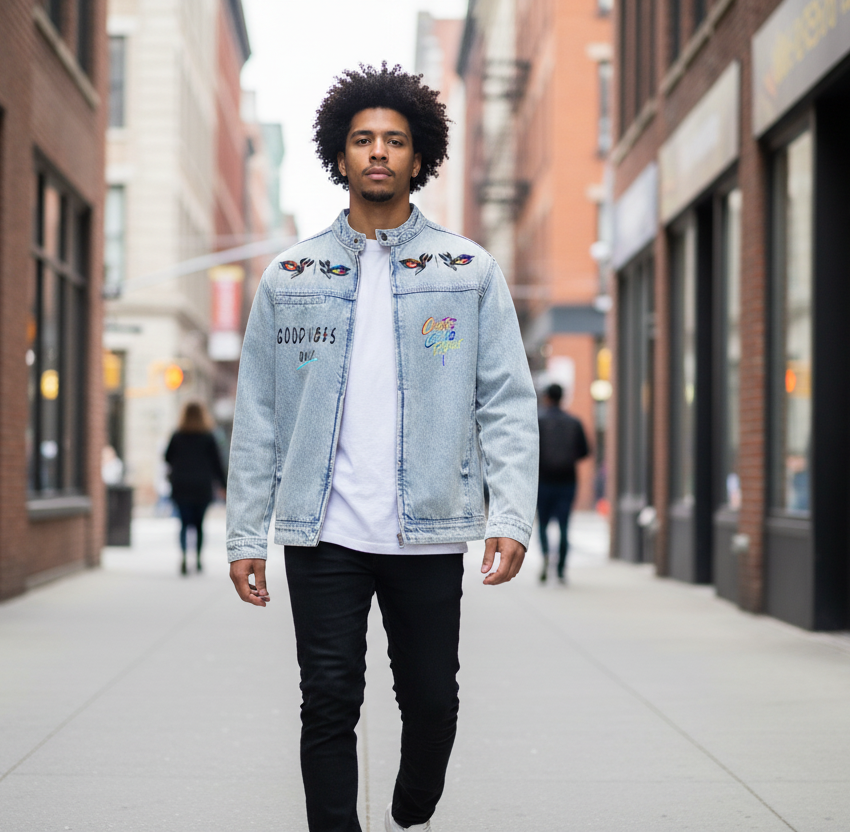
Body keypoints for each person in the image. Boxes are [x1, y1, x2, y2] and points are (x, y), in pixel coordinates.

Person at [225, 64, 538, 832]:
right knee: (327, 698)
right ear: (339, 155)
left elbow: (504, 402)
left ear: (418, 157)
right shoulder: (290, 275)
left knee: (431, 701)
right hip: (322, 530)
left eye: (394, 141)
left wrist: (511, 515)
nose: (377, 153)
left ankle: (414, 802)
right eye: (362, 139)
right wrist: (246, 533)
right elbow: (258, 414)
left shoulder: (467, 271)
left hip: (426, 527)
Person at [164, 401, 226, 575]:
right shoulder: (208, 436)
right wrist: (223, 486)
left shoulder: (177, 435)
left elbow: (167, 458)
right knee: (199, 525)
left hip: (181, 485)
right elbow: (217, 464)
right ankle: (198, 560)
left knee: (183, 524)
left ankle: (184, 558)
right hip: (202, 487)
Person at [536, 383, 590, 583]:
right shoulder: (574, 422)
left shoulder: (538, 421)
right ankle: (560, 569)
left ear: (547, 398)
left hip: (543, 482)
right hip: (567, 481)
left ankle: (545, 558)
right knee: (564, 526)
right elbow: (585, 451)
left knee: (543, 524)